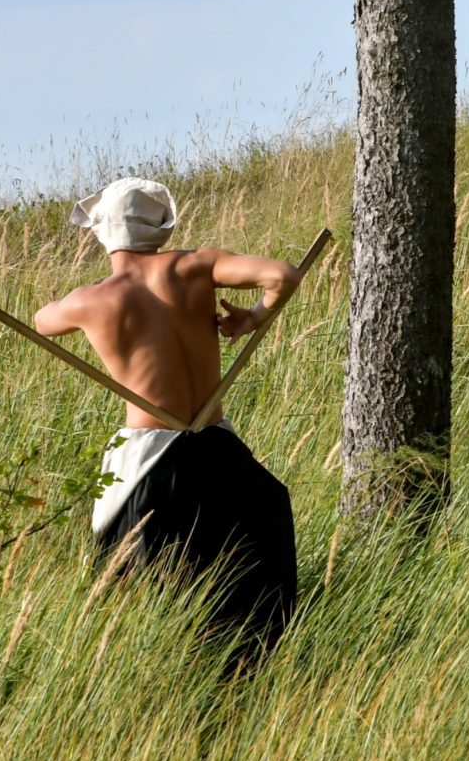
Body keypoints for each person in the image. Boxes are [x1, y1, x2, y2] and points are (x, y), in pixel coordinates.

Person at [34, 177, 303, 657]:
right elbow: (283, 274)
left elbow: (40, 322)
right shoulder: (195, 266)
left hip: (151, 466)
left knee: (149, 607)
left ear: (104, 232)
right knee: (244, 601)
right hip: (220, 454)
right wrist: (252, 318)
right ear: (159, 226)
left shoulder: (90, 301)